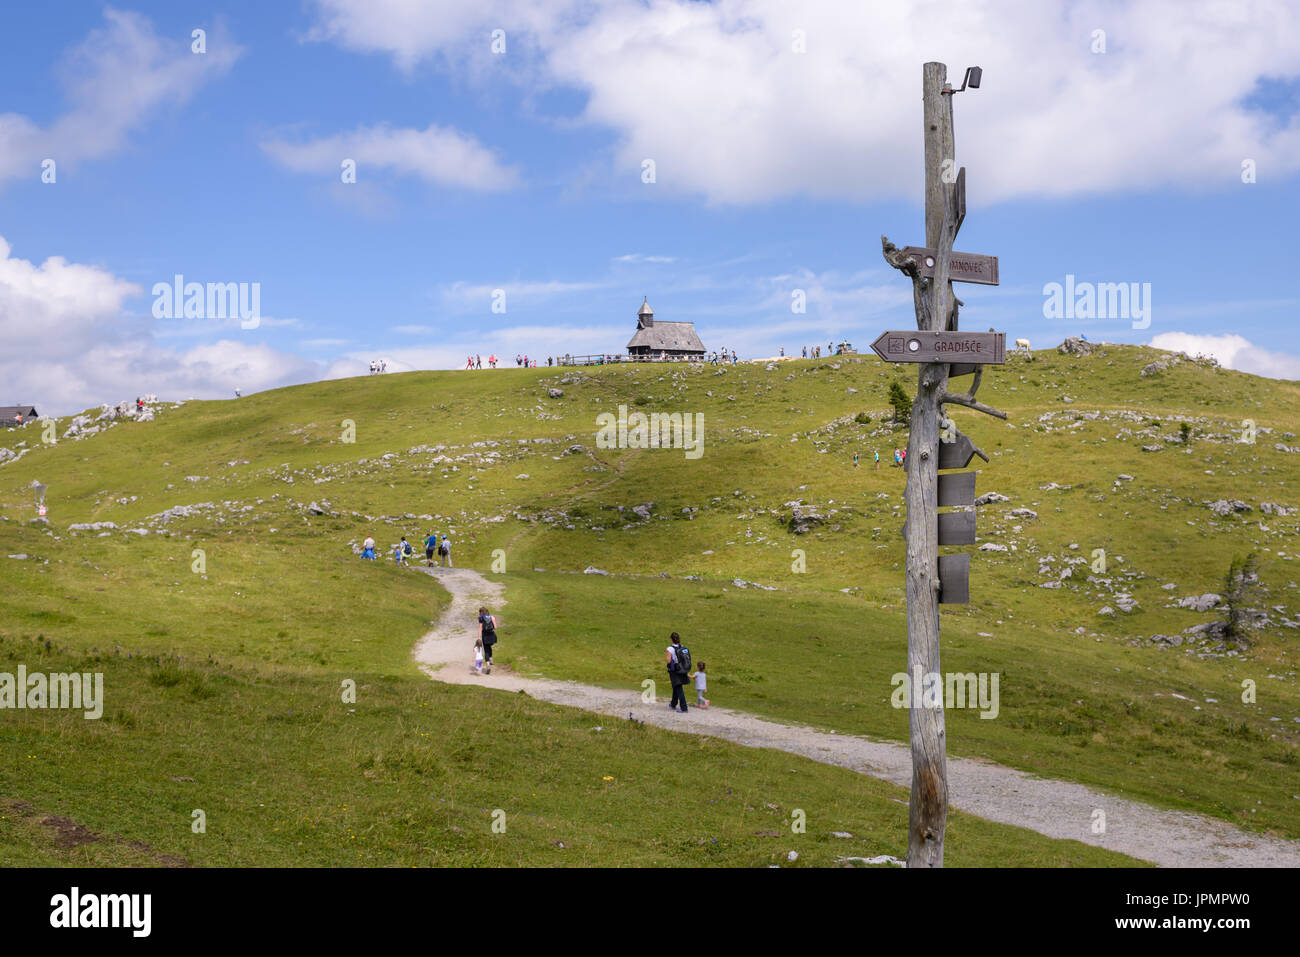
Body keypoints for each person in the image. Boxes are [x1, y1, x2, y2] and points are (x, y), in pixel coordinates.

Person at [666, 632, 690, 713]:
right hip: (683, 669)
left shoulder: (670, 649)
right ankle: (673, 703)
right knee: (676, 686)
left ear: (671, 639)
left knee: (679, 688)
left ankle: (684, 707)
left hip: (675, 670)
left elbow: (668, 661)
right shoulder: (683, 647)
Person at [478, 606, 498, 672]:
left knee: (486, 650)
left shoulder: (481, 618)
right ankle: (491, 659)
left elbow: (480, 628)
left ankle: (488, 665)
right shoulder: (491, 617)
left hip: (485, 636)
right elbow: (495, 627)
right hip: (492, 635)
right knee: (489, 647)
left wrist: (479, 637)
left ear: (481, 612)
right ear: (487, 611)